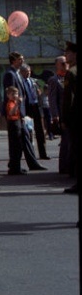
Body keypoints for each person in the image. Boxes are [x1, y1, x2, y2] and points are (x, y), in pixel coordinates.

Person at [19, 63, 50, 161]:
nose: (28, 74)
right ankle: (31, 154)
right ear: (21, 72)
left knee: (40, 130)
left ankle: (43, 153)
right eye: (26, 72)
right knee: (28, 131)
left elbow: (39, 92)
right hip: (27, 107)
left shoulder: (33, 81)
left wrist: (39, 93)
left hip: (36, 106)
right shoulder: (20, 82)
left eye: (29, 72)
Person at [61, 41, 78, 193]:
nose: (66, 55)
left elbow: (68, 99)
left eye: (68, 52)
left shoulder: (71, 72)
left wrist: (64, 119)